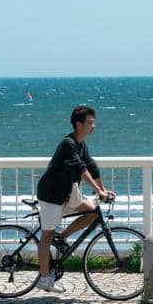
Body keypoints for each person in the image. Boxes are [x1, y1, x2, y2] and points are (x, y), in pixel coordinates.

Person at [34, 105, 113, 293]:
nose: (93, 125)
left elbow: (91, 167)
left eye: (94, 122)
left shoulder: (81, 143)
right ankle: (44, 279)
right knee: (46, 237)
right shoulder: (68, 144)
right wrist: (97, 191)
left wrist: (103, 190)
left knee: (93, 213)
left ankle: (61, 238)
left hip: (68, 193)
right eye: (90, 122)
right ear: (79, 124)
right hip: (52, 194)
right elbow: (81, 169)